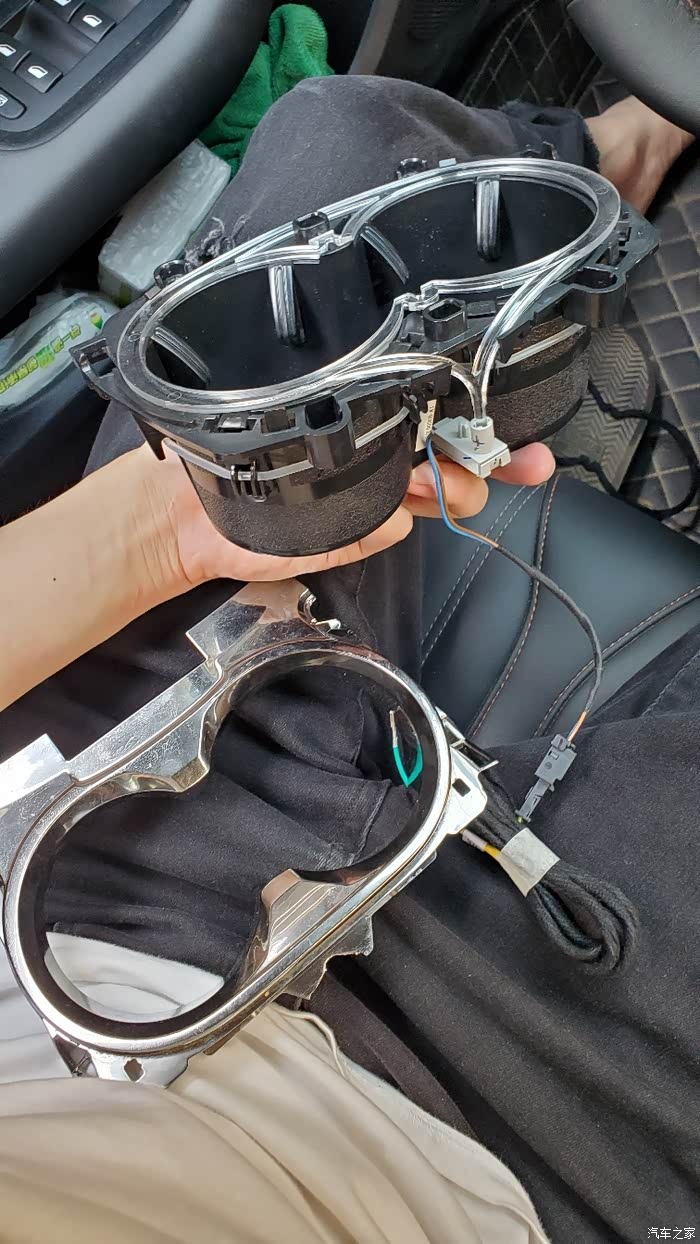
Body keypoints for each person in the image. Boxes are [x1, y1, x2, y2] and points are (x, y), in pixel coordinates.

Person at [0, 77, 697, 1243]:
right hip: (423, 1118)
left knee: (346, 136)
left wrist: (164, 528)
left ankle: (620, 156)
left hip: (81, 870)